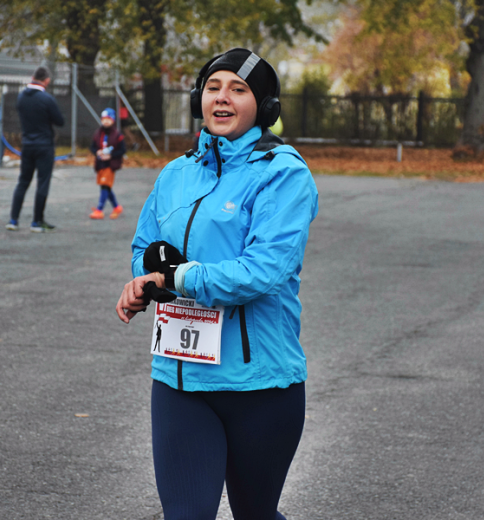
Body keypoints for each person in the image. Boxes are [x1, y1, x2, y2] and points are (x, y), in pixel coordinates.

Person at [115, 48, 318, 520]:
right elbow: (146, 249)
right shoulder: (176, 174)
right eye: (213, 88)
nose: (222, 99)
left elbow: (262, 270)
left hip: (260, 386)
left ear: (264, 107)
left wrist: (179, 277)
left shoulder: (284, 174)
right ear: (198, 98)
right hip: (180, 380)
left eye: (238, 89)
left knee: (255, 515)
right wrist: (142, 283)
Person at [6, 66, 64, 232]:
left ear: (33, 77)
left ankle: (13, 219)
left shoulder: (21, 97)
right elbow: (59, 121)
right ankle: (36, 221)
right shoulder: (47, 99)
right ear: (46, 81)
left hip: (27, 144)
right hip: (44, 145)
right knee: (43, 182)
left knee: (23, 181)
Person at [89, 108, 126, 219]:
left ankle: (99, 210)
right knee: (105, 187)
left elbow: (122, 150)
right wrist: (97, 152)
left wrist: (111, 155)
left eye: (108, 119)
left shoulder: (117, 135)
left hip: (111, 164)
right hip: (100, 163)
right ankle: (117, 207)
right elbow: (92, 147)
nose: (105, 121)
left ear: (113, 120)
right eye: (104, 119)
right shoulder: (98, 133)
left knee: (105, 185)